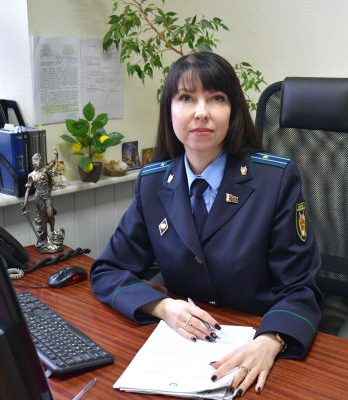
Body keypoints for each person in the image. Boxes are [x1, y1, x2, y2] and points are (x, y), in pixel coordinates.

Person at [91, 51, 322, 396]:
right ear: (169, 111)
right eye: (186, 98)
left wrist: (271, 340)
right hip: (182, 349)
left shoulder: (274, 179)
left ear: (233, 111)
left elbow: (301, 287)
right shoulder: (153, 182)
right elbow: (109, 270)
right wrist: (162, 306)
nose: (201, 112)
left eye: (216, 98)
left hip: (256, 342)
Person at [21, 148, 64, 253]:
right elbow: (28, 190)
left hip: (47, 195)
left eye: (40, 160)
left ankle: (52, 231)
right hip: (38, 197)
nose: (38, 162)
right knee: (42, 218)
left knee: (50, 215)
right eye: (36, 160)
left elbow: (54, 163)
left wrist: (56, 155)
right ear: (33, 162)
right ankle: (44, 240)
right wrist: (25, 204)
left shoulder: (45, 170)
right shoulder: (31, 175)